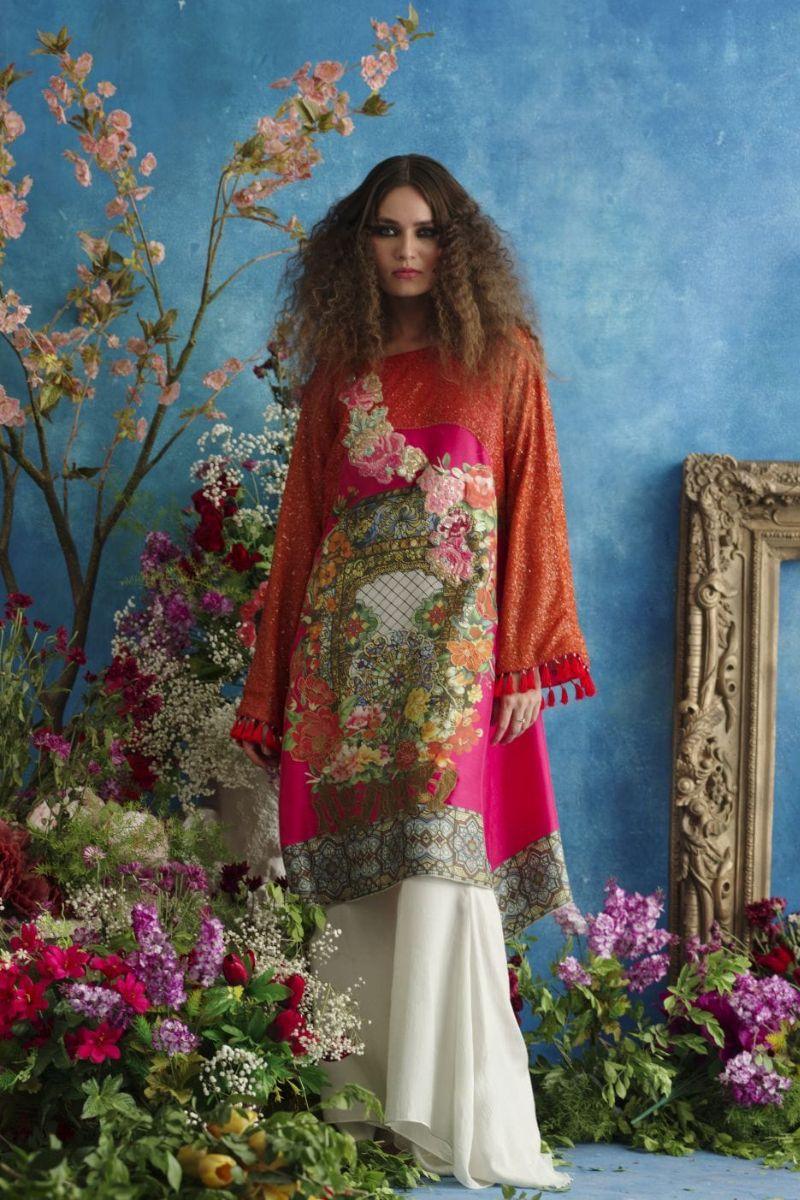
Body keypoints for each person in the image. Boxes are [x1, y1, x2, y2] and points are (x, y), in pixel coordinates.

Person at [231, 153, 595, 1191]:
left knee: (441, 868)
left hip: (454, 664)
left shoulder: (503, 359)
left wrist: (523, 657)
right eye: (387, 231)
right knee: (358, 882)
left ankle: (448, 1118)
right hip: (346, 658)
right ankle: (356, 1112)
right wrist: (273, 690)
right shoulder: (337, 372)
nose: (406, 250)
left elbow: (534, 506)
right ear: (358, 246)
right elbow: (301, 532)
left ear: (457, 245)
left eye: (426, 231)